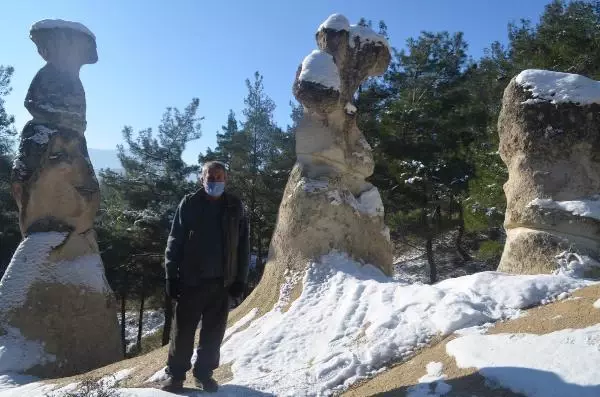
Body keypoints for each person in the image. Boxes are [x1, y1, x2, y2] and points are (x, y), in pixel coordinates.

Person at [161, 161, 249, 393]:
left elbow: (243, 246)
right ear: (202, 179)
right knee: (183, 332)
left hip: (222, 283)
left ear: (226, 180)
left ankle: (204, 374)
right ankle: (176, 376)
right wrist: (171, 275)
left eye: (219, 177)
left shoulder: (234, 206)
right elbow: (175, 240)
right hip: (191, 281)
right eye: (210, 177)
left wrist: (240, 279)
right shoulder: (190, 203)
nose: (215, 181)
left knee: (213, 334)